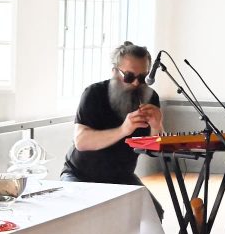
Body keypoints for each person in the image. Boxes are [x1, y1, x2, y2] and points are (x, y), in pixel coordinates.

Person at [61, 41, 164, 222]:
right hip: (81, 175)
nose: (136, 83)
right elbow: (81, 141)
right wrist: (124, 130)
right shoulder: (94, 94)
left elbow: (155, 149)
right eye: (129, 76)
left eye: (142, 78)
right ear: (115, 72)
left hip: (121, 177)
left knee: (153, 213)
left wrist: (157, 125)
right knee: (86, 219)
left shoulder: (150, 96)